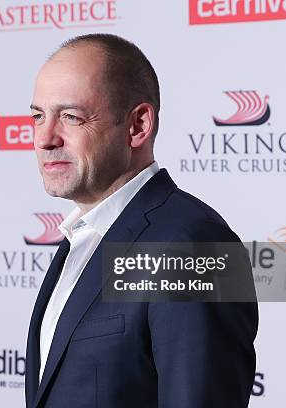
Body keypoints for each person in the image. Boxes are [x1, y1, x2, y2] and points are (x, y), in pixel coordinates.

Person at [24, 33, 258, 408]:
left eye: (70, 117)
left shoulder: (190, 244)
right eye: (38, 116)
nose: (45, 138)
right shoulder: (83, 236)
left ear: (137, 125)